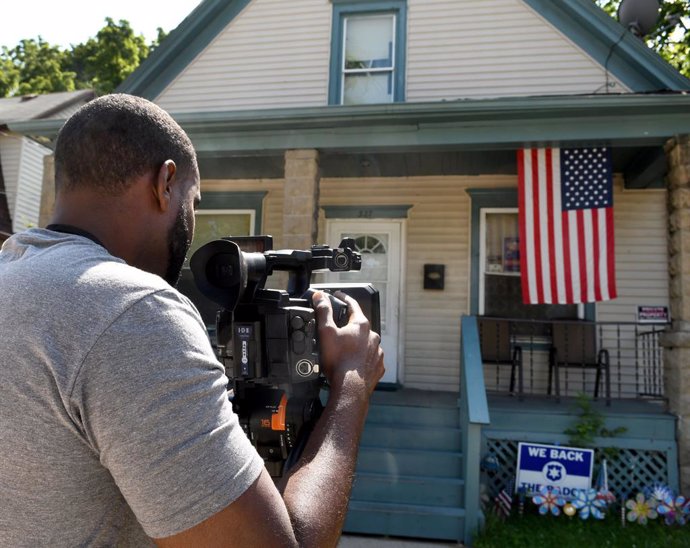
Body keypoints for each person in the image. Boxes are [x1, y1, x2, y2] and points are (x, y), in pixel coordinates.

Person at [0, 93, 384, 547]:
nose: (191, 220)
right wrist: (351, 388)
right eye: (193, 201)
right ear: (166, 182)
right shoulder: (131, 310)